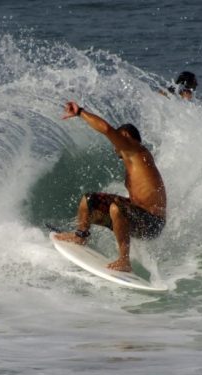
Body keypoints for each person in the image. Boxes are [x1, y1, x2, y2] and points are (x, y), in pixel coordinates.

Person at [54, 101, 167, 272]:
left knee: (117, 208)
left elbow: (106, 129)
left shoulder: (136, 149)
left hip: (152, 223)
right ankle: (81, 236)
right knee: (89, 200)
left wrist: (80, 112)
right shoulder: (133, 160)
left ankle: (124, 261)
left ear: (127, 138)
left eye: (119, 139)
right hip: (138, 216)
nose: (116, 144)